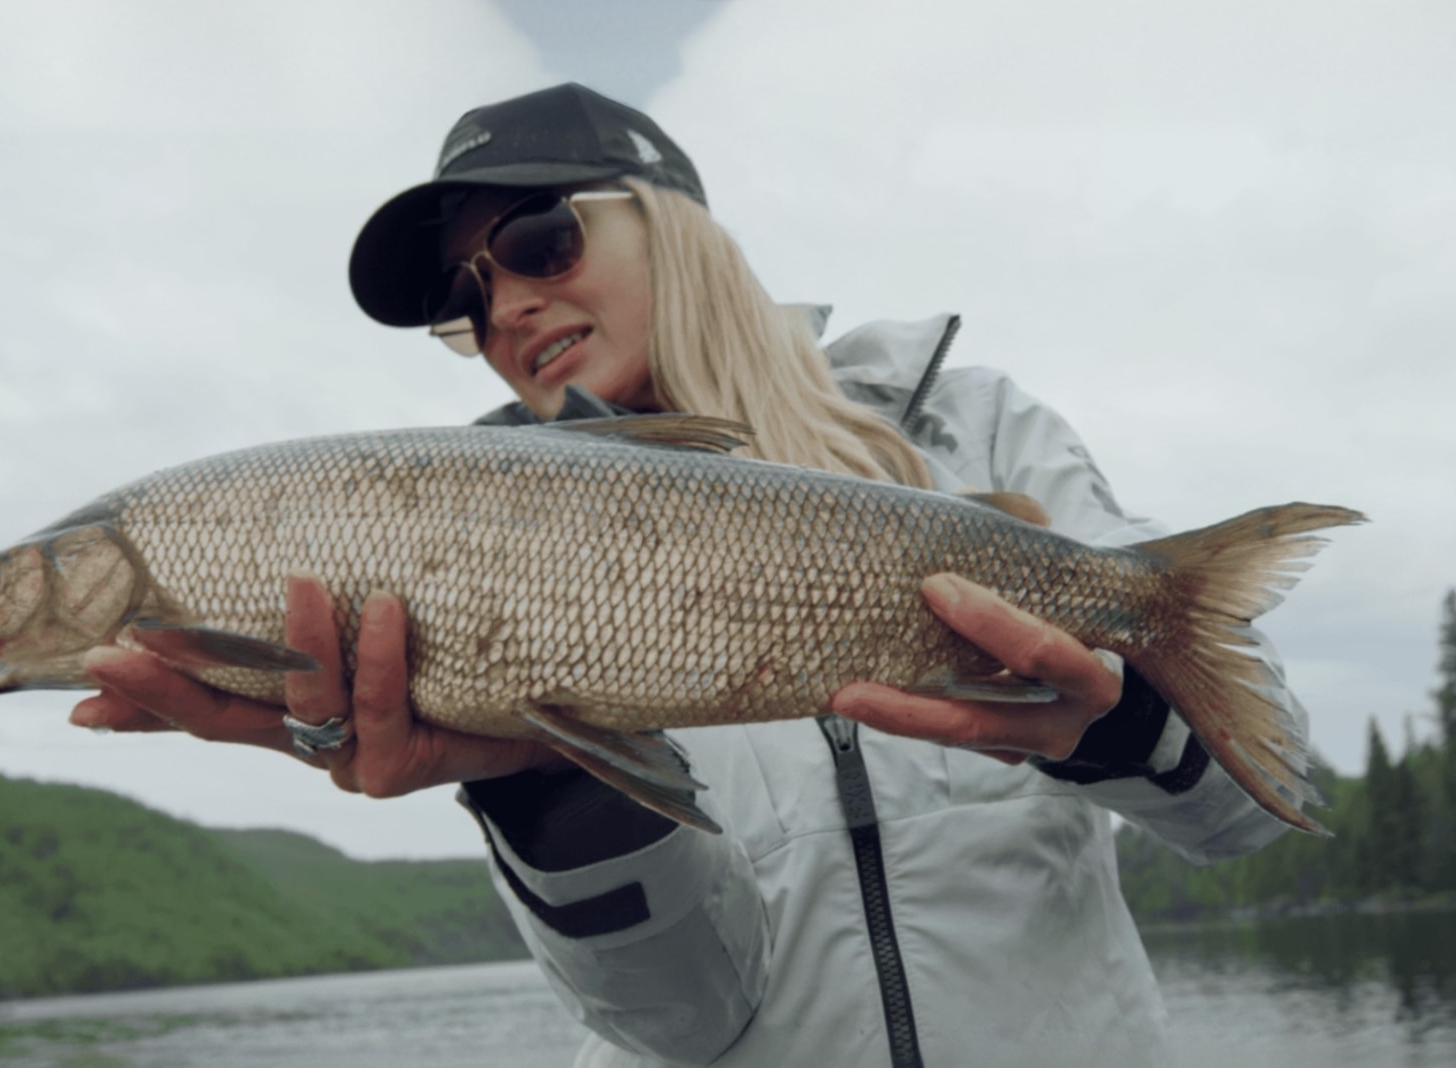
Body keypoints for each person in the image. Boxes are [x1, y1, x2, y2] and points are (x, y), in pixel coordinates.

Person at [68, 84, 1305, 1067]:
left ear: (678, 225)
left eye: (537, 240)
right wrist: (548, 794)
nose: (505, 302)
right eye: (465, 297)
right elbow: (681, 1024)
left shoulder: (971, 430)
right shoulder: (464, 574)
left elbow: (1253, 810)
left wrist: (1115, 722)